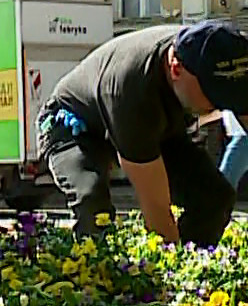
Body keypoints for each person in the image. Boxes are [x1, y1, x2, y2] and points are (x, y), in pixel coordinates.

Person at [37, 21, 248, 246]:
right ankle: (96, 272)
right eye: (213, 94)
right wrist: (170, 272)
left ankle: (198, 259)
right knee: (92, 200)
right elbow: (156, 211)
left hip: (159, 124)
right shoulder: (131, 91)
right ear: (176, 69)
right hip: (73, 124)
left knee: (215, 197)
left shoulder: (223, 59)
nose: (221, 105)